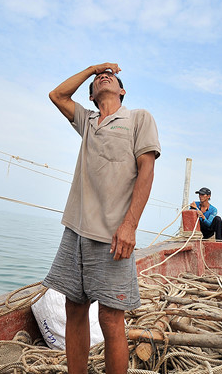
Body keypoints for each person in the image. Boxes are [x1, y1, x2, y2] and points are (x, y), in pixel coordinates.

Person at [44, 63, 160, 374]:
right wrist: (91, 69)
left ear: (122, 91)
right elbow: (57, 94)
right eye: (97, 80)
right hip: (75, 231)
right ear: (93, 96)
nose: (102, 78)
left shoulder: (138, 118)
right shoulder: (88, 120)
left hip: (113, 233)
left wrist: (129, 226)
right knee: (74, 307)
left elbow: (146, 171)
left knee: (110, 317)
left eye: (109, 77)